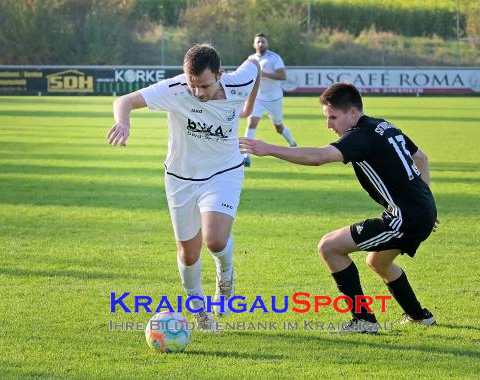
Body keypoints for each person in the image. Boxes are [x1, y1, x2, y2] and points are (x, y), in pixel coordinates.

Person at [240, 82, 438, 333]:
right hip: (420, 211)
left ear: (353, 113)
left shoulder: (361, 136)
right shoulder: (383, 125)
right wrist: (426, 204)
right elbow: (421, 158)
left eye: (333, 117)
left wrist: (268, 149)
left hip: (406, 218)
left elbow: (319, 157)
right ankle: (420, 316)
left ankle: (364, 321)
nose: (329, 124)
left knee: (329, 247)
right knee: (378, 262)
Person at [107, 44, 261, 332]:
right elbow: (124, 101)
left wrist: (250, 104)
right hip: (180, 179)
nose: (198, 92)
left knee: (215, 240)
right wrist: (123, 123)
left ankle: (225, 276)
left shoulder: (239, 82)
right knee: (188, 255)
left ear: (220, 74)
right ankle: (200, 312)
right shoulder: (175, 88)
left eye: (204, 85)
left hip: (223, 172)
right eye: (192, 84)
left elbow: (255, 63)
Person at [243, 33, 297, 167]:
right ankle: (246, 156)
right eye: (258, 42)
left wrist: (263, 73)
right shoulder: (251, 59)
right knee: (251, 123)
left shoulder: (274, 58)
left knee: (278, 127)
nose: (261, 44)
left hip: (274, 98)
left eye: (263, 42)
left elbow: (283, 75)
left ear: (267, 44)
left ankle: (292, 143)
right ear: (254, 44)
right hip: (257, 97)